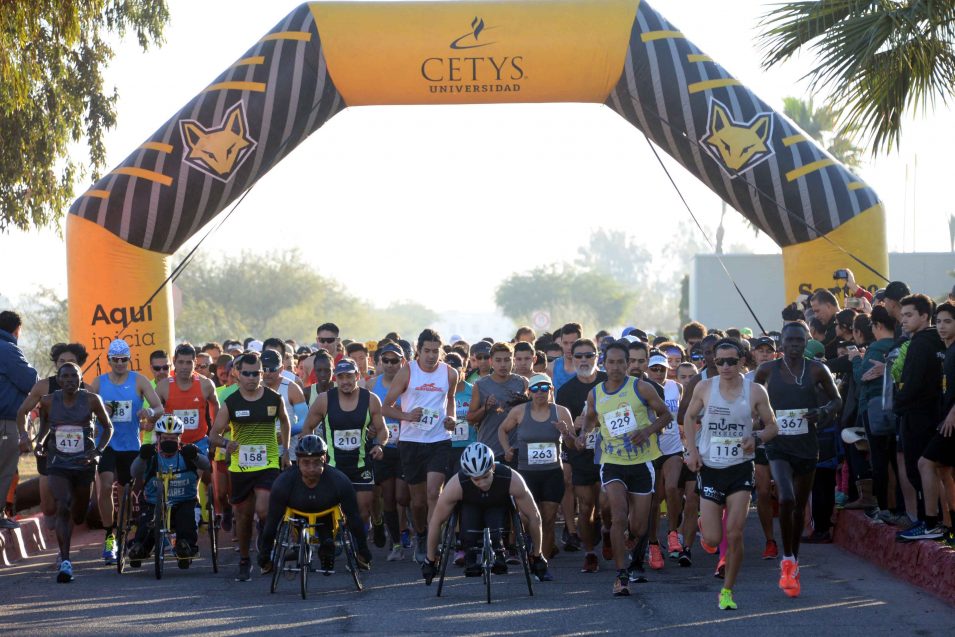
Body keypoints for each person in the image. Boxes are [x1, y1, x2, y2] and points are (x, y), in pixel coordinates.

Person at [684, 338, 778, 610]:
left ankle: (727, 591)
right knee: (713, 539)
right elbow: (689, 418)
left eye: (731, 361)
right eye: (720, 361)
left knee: (735, 533)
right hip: (711, 468)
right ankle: (705, 525)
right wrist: (692, 452)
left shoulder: (756, 391)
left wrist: (757, 438)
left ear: (742, 361)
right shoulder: (704, 387)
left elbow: (773, 426)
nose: (725, 366)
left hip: (740, 468)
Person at [754, 322, 841, 598]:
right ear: (781, 344)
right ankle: (787, 560)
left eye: (799, 340)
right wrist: (758, 421)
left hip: (807, 446)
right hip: (778, 445)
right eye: (789, 340)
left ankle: (793, 560)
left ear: (806, 342)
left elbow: (837, 401)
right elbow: (752, 400)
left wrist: (823, 410)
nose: (794, 345)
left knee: (800, 505)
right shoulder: (767, 370)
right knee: (787, 498)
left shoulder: (817, 369)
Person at [579, 340, 672, 597]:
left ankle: (628, 538)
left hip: (642, 463)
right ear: (603, 363)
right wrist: (580, 436)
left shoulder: (641, 387)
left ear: (628, 363)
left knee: (639, 527)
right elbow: (589, 421)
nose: (616, 367)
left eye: (622, 362)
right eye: (611, 362)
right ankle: (622, 575)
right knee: (618, 514)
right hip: (612, 463)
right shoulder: (595, 393)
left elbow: (666, 415)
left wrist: (647, 431)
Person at [209, 352, 292, 581]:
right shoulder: (232, 402)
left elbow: (285, 421)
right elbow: (213, 435)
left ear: (262, 374)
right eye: (247, 373)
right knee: (243, 516)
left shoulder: (274, 399)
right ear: (237, 374)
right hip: (240, 467)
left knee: (264, 509)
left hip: (268, 463)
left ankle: (266, 551)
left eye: (256, 373)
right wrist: (227, 443)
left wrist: (285, 451)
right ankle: (245, 559)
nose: (252, 378)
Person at [421, 442, 548, 583]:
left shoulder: (511, 478)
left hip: (498, 506)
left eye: (485, 476)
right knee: (469, 529)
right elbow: (436, 521)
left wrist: (538, 555)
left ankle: (499, 551)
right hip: (470, 507)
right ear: (468, 475)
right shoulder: (455, 484)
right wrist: (430, 559)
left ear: (493, 467)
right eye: (476, 479)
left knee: (496, 530)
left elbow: (534, 516)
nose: (481, 483)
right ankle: (470, 556)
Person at [382, 329, 458, 563]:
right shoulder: (407, 372)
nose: (431, 356)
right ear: (418, 351)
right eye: (427, 351)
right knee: (418, 501)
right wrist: (406, 416)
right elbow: (386, 407)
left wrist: (451, 418)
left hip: (439, 440)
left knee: (434, 493)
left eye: (436, 351)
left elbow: (451, 400)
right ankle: (422, 534)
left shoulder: (450, 373)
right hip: (412, 442)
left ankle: (434, 540)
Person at [35, 362, 113, 582]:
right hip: (58, 462)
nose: (69, 380)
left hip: (84, 463)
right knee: (63, 504)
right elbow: (43, 429)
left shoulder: (91, 400)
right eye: (65, 376)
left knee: (78, 515)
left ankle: (82, 507)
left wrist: (98, 451)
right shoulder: (48, 402)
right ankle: (66, 561)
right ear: (58, 380)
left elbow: (108, 428)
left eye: (74, 376)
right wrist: (40, 443)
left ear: (81, 379)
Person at [88, 338, 163, 565]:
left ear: (129, 360)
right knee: (106, 485)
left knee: (126, 491)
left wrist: (148, 412)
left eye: (123, 360)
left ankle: (124, 529)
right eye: (115, 360)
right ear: (108, 360)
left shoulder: (139, 381)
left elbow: (160, 407)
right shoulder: (99, 383)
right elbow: (86, 411)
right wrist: (100, 413)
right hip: (107, 443)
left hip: (131, 445)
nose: (119, 363)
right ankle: (110, 535)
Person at [258, 435, 372, 574]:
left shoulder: (340, 481)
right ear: (298, 461)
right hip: (297, 517)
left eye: (317, 462)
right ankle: (308, 547)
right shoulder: (284, 482)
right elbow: (272, 521)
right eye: (306, 463)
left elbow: (354, 517)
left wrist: (363, 551)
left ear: (324, 459)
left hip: (327, 517)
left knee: (327, 534)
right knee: (288, 521)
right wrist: (264, 555)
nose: (311, 468)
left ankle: (327, 547)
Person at [498, 373, 576, 577]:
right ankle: (526, 546)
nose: (539, 392)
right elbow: (502, 430)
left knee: (548, 519)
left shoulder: (560, 412)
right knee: (526, 517)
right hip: (527, 474)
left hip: (552, 473)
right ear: (529, 392)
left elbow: (572, 444)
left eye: (544, 388)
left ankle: (542, 561)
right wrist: (507, 449)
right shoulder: (519, 412)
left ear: (551, 390)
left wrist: (566, 432)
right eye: (535, 389)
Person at [302, 358, 388, 535]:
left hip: (361, 464)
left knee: (362, 511)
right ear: (336, 378)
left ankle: (358, 545)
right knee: (327, 510)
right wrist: (313, 455)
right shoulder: (324, 400)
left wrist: (379, 445)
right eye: (341, 377)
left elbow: (382, 430)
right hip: (333, 465)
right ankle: (334, 541)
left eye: (349, 376)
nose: (345, 381)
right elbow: (307, 428)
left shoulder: (370, 399)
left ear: (357, 376)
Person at [16, 343, 89, 530]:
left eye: (72, 362)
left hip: (78, 451)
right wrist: (24, 435)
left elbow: (100, 423)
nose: (67, 364)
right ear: (56, 364)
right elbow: (23, 411)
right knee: (49, 508)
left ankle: (65, 543)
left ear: (79, 365)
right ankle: (59, 538)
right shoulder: (43, 387)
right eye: (62, 361)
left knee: (74, 510)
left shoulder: (88, 391)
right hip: (49, 448)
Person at [894, 294, 946, 540]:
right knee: (937, 470)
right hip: (938, 414)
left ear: (925, 316)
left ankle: (929, 523)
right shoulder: (942, 341)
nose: (903, 321)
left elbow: (911, 384)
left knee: (919, 469)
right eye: (902, 315)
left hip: (918, 415)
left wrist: (897, 404)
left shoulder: (919, 343)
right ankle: (937, 522)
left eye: (909, 315)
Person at [128, 415, 211, 568]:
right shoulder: (151, 454)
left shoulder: (187, 452)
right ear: (158, 437)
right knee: (148, 523)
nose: (169, 442)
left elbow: (206, 466)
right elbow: (133, 472)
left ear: (179, 438)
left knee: (186, 518)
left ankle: (184, 546)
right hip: (154, 502)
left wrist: (195, 456)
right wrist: (142, 457)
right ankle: (139, 548)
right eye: (165, 438)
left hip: (184, 501)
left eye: (173, 439)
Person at [555, 338, 607, 572]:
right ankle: (589, 552)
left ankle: (607, 532)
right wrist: (575, 427)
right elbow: (564, 431)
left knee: (607, 506)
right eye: (579, 356)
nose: (584, 360)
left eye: (589, 355)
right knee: (586, 506)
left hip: (610, 452)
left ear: (597, 357)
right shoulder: (566, 391)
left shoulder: (609, 382)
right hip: (581, 452)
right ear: (572, 358)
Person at [156, 343, 219, 524]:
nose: (184, 367)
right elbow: (155, 410)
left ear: (195, 363)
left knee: (194, 477)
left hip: (198, 441)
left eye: (189, 363)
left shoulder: (206, 385)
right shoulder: (163, 386)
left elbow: (215, 405)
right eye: (181, 362)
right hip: (172, 443)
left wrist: (215, 429)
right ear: (174, 363)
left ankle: (194, 507)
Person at [369, 341, 411, 561]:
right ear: (379, 362)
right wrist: (368, 428)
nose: (390, 364)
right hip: (383, 447)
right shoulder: (371, 385)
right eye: (385, 360)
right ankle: (396, 543)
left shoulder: (409, 383)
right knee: (388, 497)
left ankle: (410, 531)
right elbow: (364, 412)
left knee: (403, 496)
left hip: (406, 446)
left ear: (402, 362)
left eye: (395, 360)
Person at [645, 352, 685, 567]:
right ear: (647, 370)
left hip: (672, 447)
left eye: (662, 369)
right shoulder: (641, 389)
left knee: (671, 488)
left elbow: (682, 414)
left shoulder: (676, 387)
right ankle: (652, 544)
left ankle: (672, 533)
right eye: (654, 369)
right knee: (653, 500)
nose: (659, 373)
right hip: (651, 449)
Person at [0, 310, 39, 529]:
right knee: (5, 469)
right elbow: (29, 381)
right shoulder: (8, 349)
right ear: (16, 330)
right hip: (5, 420)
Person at [470, 342, 529, 465]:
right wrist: (484, 408)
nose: (503, 365)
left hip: (516, 448)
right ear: (491, 361)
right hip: (490, 448)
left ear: (512, 361)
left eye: (507, 360)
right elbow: (470, 419)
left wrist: (526, 404)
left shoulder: (522, 382)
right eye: (498, 360)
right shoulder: (480, 385)